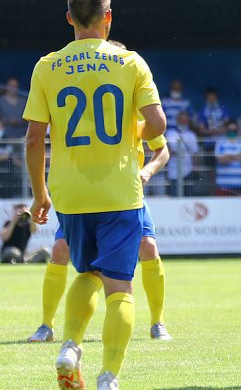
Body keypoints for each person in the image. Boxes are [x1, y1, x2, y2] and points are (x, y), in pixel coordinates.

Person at [23, 0, 167, 390]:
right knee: (119, 287)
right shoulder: (129, 62)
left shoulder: (47, 66)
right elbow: (157, 125)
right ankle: (108, 379)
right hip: (120, 191)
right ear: (108, 18)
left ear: (70, 18)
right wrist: (130, 132)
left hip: (71, 192)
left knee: (85, 273)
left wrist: (39, 194)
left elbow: (33, 139)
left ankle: (69, 344)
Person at [28, 123, 174, 343]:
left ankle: (158, 322)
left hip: (125, 199)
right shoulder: (82, 118)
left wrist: (147, 171)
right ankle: (46, 325)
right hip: (84, 199)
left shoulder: (129, 117)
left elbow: (162, 148)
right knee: (59, 250)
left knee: (149, 247)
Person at [165, 110, 200, 196]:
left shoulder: (192, 135)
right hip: (174, 170)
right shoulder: (170, 133)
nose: (183, 122)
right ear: (177, 120)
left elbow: (195, 153)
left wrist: (195, 168)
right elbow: (168, 150)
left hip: (188, 170)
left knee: (189, 195)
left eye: (185, 121)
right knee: (174, 195)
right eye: (181, 120)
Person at [214, 120, 241, 196]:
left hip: (240, 184)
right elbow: (220, 159)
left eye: (234, 130)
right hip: (223, 185)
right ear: (226, 130)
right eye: (230, 130)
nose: (232, 132)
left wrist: (229, 156)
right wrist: (237, 156)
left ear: (237, 130)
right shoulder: (220, 142)